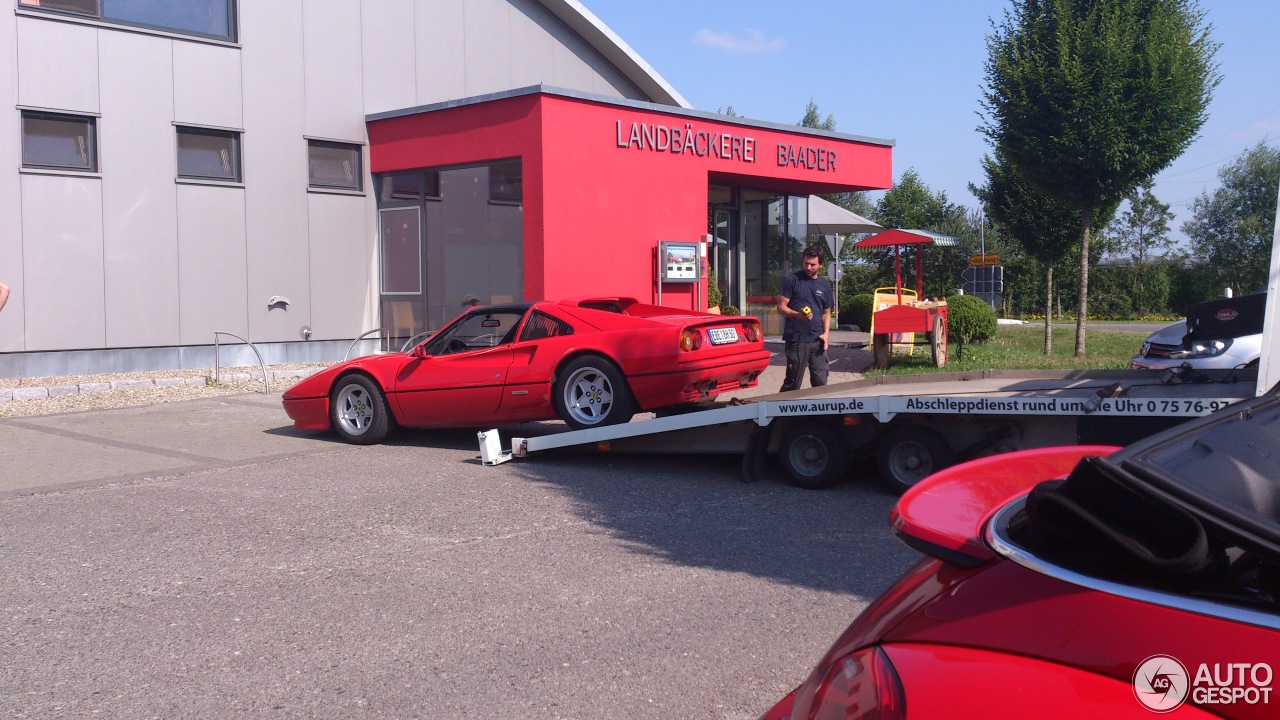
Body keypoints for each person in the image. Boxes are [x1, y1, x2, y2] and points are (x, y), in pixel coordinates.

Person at [776, 245, 832, 391]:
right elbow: (781, 306)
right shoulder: (792, 280)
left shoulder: (824, 286)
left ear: (820, 265)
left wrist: (826, 334)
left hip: (817, 340)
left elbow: (826, 312)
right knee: (793, 382)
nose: (808, 267)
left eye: (812, 264)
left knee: (821, 383)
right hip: (796, 340)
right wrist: (797, 315)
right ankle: (783, 412)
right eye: (806, 263)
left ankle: (820, 414)